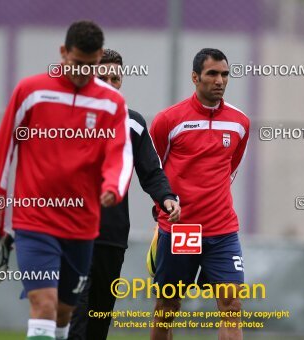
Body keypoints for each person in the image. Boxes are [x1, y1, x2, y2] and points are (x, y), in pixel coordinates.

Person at [0, 21, 133, 340]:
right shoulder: (31, 92)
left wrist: (112, 187)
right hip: (34, 221)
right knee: (44, 306)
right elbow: (3, 154)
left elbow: (119, 154)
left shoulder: (111, 103)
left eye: (91, 66)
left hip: (82, 225)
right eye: (77, 64)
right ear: (63, 53)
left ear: (100, 57)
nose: (83, 72)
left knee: (65, 312)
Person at [68, 49, 180, 340]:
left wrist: (166, 197)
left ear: (121, 82)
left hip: (112, 237)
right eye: (101, 76)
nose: (108, 82)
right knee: (74, 318)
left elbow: (152, 171)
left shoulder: (133, 123)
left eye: (114, 78)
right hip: (72, 233)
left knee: (98, 320)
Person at [149, 48, 250, 340]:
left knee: (232, 305)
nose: (220, 81)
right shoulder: (168, 120)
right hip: (182, 230)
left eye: (225, 74)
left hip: (223, 229)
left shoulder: (240, 123)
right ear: (195, 77)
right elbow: (154, 171)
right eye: (212, 74)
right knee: (167, 306)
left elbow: (230, 168)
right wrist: (163, 208)